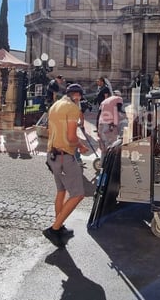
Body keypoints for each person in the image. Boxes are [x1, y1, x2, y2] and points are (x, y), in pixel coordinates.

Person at [43, 83, 90, 248]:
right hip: (64, 156)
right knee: (78, 194)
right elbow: (71, 137)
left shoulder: (55, 105)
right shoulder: (72, 108)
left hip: (52, 154)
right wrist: (81, 146)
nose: (80, 100)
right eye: (80, 97)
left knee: (61, 191)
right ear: (76, 95)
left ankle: (59, 226)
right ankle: (54, 229)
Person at [97, 89, 124, 156]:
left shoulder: (104, 101)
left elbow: (99, 114)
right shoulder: (118, 98)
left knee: (103, 145)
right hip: (110, 125)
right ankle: (109, 163)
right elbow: (119, 109)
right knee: (112, 145)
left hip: (101, 124)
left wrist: (97, 128)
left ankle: (102, 162)